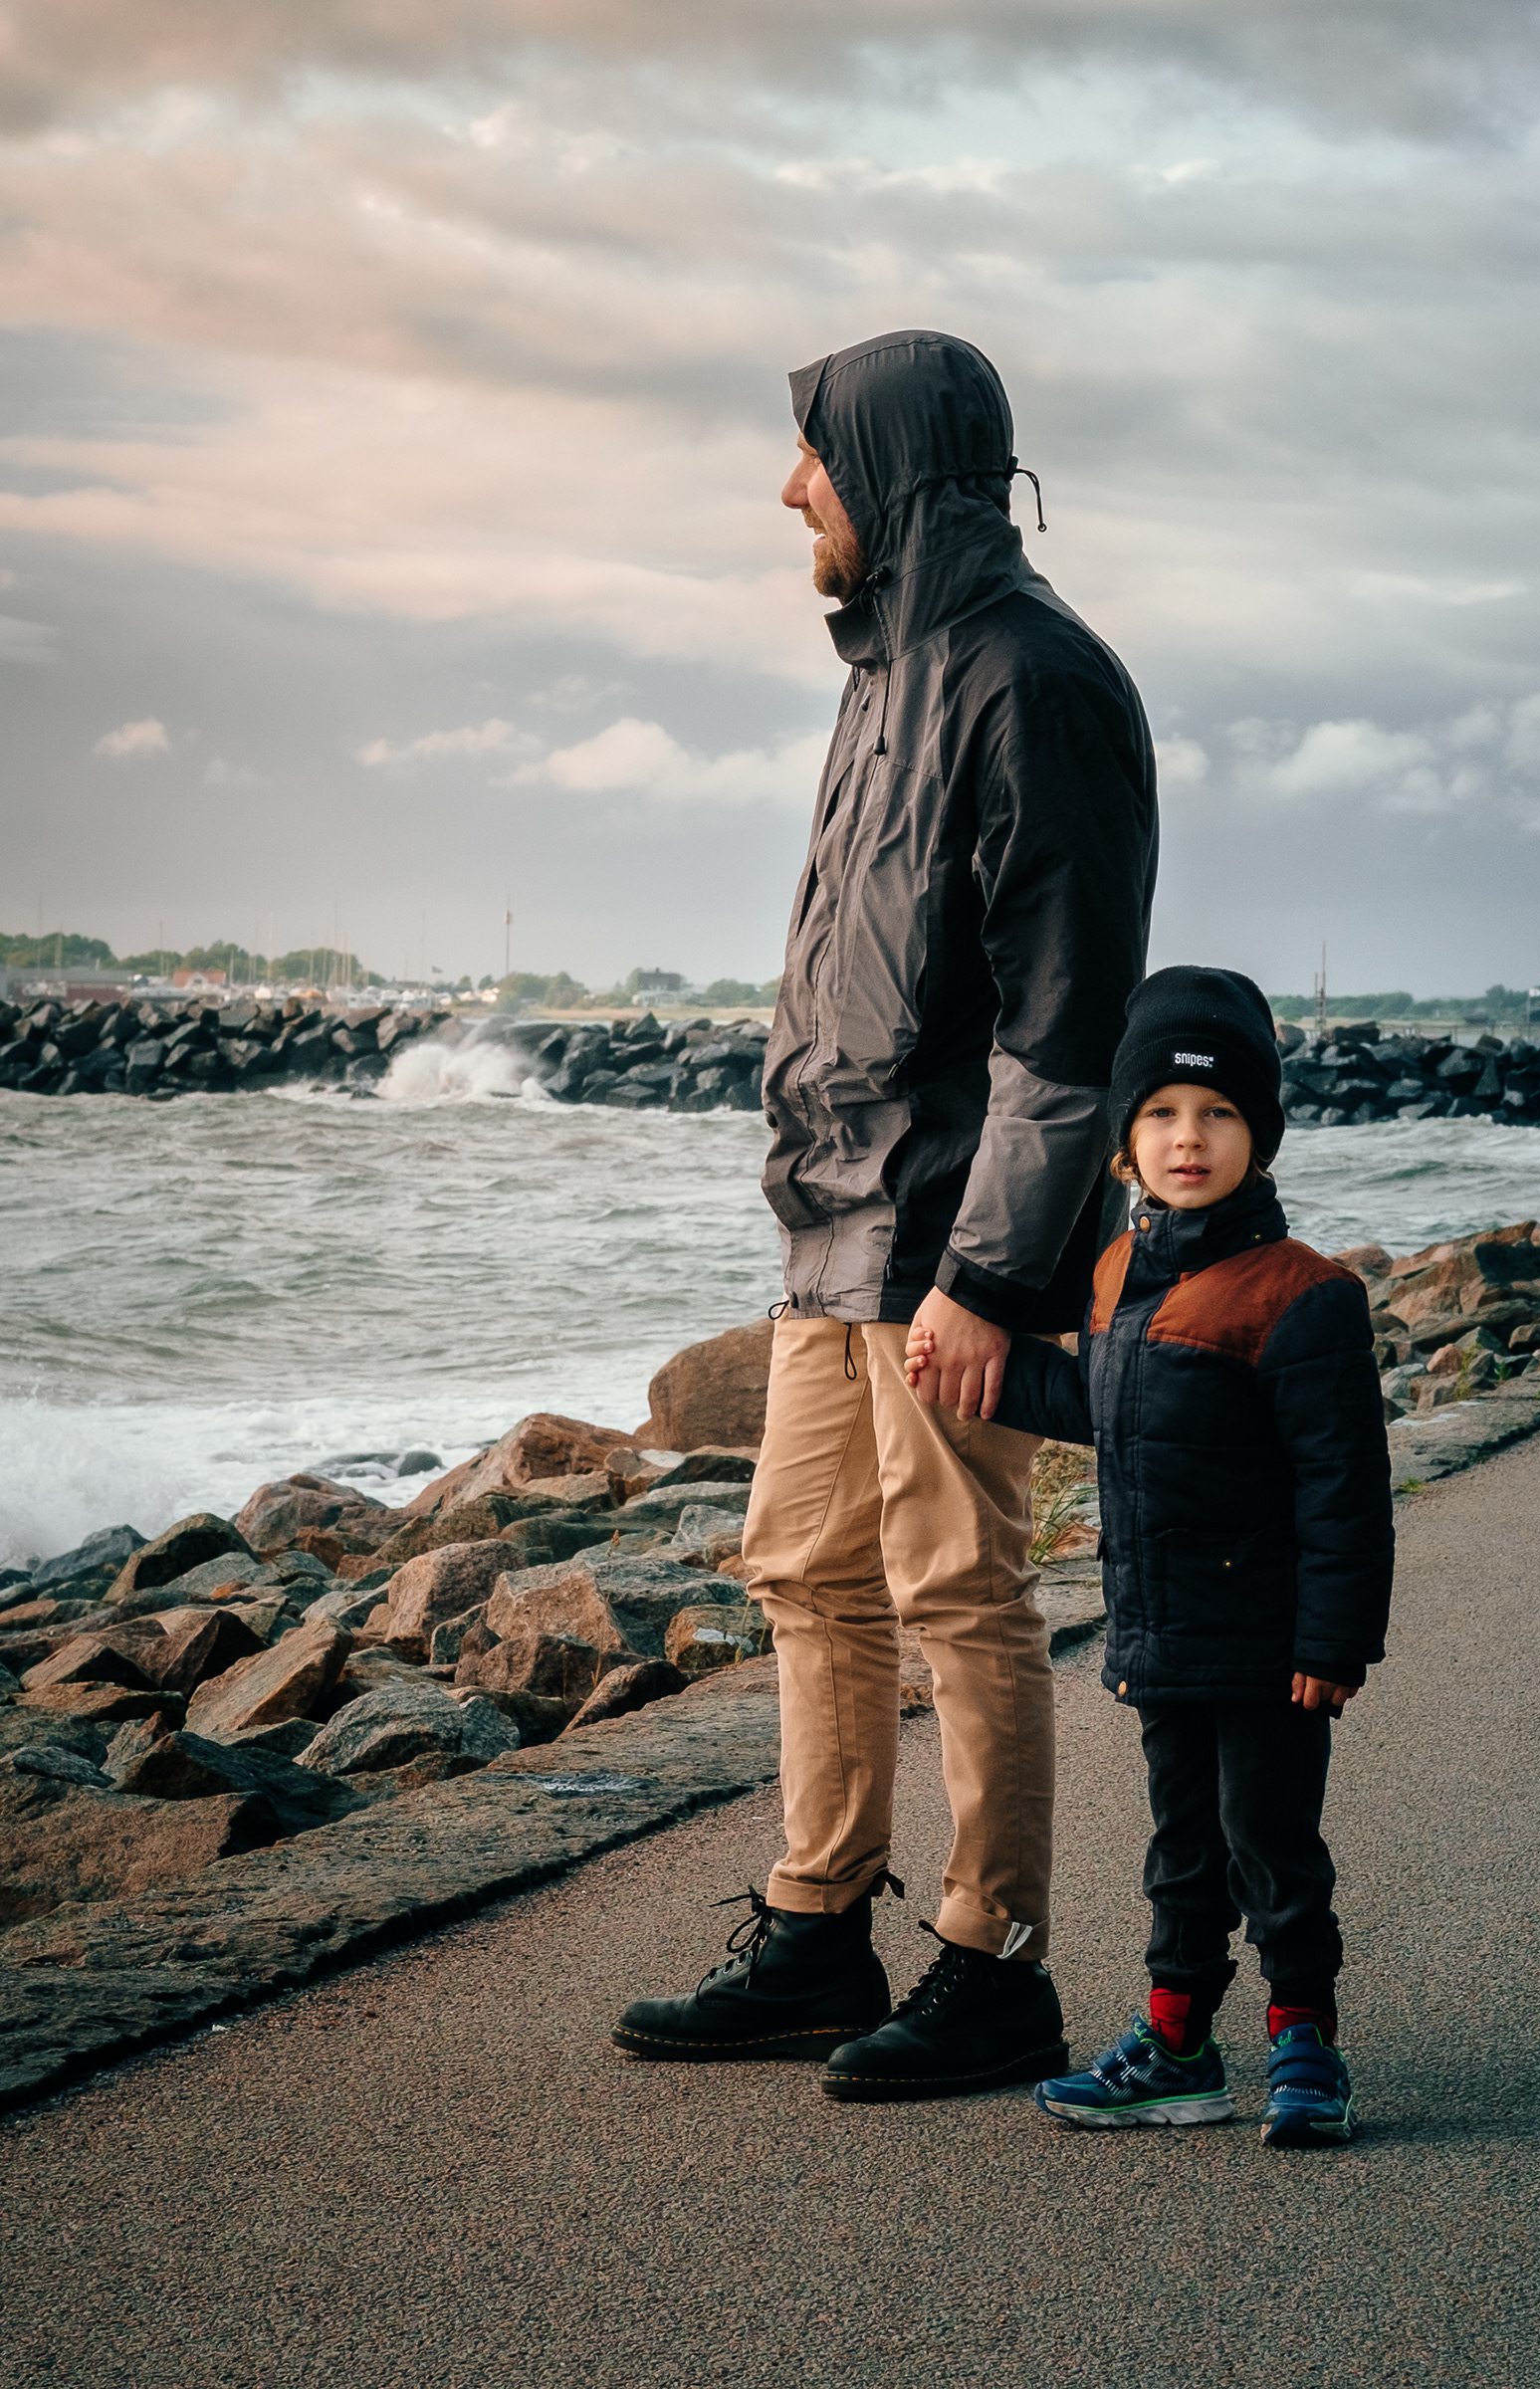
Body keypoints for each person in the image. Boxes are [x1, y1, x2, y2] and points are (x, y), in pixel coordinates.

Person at [612, 330, 1159, 2101]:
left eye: (812, 459)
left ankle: (994, 1962)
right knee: (808, 1577)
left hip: (943, 1250)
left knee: (957, 1592)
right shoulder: (886, 675)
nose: (789, 492)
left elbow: (1060, 1030)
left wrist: (996, 1278)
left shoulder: (1035, 681)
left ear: (893, 468)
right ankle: (818, 1923)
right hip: (826, 1239)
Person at [906, 967, 1394, 2142]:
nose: (1191, 1138)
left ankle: (1306, 2047)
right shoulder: (1118, 1273)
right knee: (1180, 1852)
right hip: (1162, 1630)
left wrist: (1335, 1644)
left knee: (1272, 1852)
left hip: (1271, 1646)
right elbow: (1114, 1404)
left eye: (1221, 1115)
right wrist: (996, 1375)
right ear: (1125, 1144)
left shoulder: (1304, 1296)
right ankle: (1178, 2046)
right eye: (1165, 1115)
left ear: (1259, 1140)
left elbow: (1349, 1491)